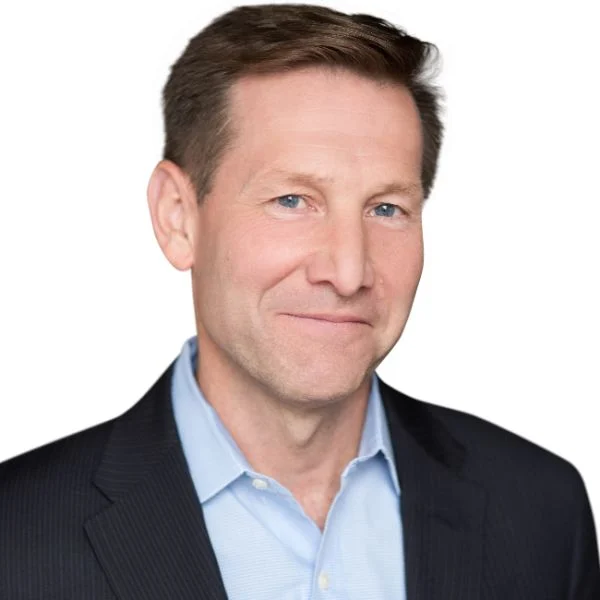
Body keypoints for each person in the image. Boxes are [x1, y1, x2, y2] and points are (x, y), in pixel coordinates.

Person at [1, 3, 598, 598]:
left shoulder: (543, 512)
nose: (347, 271)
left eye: (386, 208)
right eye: (292, 200)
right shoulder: (16, 536)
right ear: (178, 218)